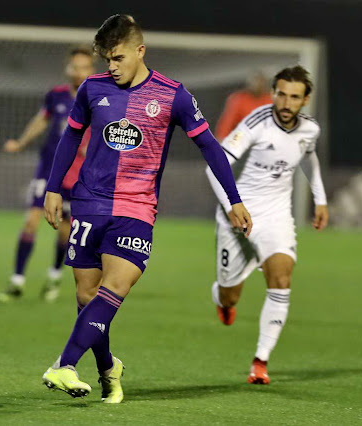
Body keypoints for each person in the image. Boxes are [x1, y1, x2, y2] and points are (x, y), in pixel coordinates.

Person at [41, 14, 252, 403]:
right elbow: (70, 139)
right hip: (89, 204)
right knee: (88, 300)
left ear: (141, 51)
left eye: (118, 58)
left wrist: (234, 198)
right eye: (107, 59)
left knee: (115, 287)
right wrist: (54, 190)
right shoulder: (92, 89)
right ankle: (108, 369)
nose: (112, 66)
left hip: (137, 209)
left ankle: (65, 364)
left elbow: (209, 147)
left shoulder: (173, 95)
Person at [206, 65, 329, 385]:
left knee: (281, 277)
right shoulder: (256, 122)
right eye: (282, 95)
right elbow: (215, 165)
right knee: (231, 294)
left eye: (295, 97)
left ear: (306, 100)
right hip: (239, 213)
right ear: (273, 94)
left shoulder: (309, 130)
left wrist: (321, 199)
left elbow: (308, 157)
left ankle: (260, 361)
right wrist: (232, 205)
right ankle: (221, 297)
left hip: (276, 216)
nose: (287, 103)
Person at [0, 47, 94, 303]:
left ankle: (54, 275)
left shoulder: (97, 97)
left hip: (75, 175)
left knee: (65, 231)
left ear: (91, 69)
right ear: (68, 68)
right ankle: (17, 281)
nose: (78, 71)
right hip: (48, 169)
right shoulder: (56, 95)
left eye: (84, 67)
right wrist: (21, 142)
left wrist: (91, 150)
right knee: (31, 221)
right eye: (75, 66)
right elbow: (41, 120)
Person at [214, 71, 272, 142]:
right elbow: (227, 122)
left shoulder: (270, 99)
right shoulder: (239, 99)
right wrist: (221, 139)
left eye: (261, 82)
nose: (257, 85)